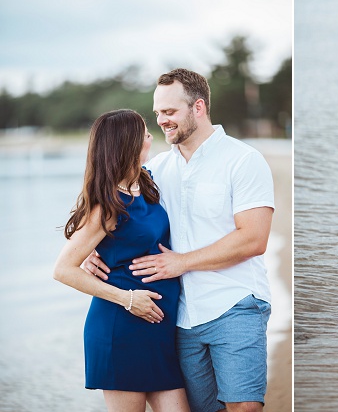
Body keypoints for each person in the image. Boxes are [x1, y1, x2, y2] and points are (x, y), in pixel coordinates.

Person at [84, 69, 274, 412]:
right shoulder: (155, 170)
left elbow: (254, 238)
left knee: (244, 406)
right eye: (157, 113)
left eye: (169, 112)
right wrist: (91, 251)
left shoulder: (243, 160)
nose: (161, 122)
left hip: (235, 302)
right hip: (179, 316)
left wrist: (181, 262)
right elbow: (107, 202)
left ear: (197, 108)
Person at [53, 109, 190, 412]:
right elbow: (62, 269)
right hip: (122, 326)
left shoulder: (148, 182)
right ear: (127, 142)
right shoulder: (108, 205)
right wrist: (127, 299)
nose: (150, 136)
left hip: (158, 328)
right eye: (143, 132)